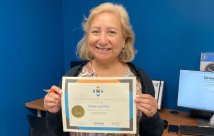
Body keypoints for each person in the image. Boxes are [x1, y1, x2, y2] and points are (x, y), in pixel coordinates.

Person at [44, 2, 164, 136]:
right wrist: (53, 112)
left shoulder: (141, 80)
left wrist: (152, 116)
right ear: (88, 36)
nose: (102, 40)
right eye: (95, 31)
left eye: (111, 32)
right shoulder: (72, 77)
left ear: (124, 39)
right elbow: (56, 133)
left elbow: (155, 133)